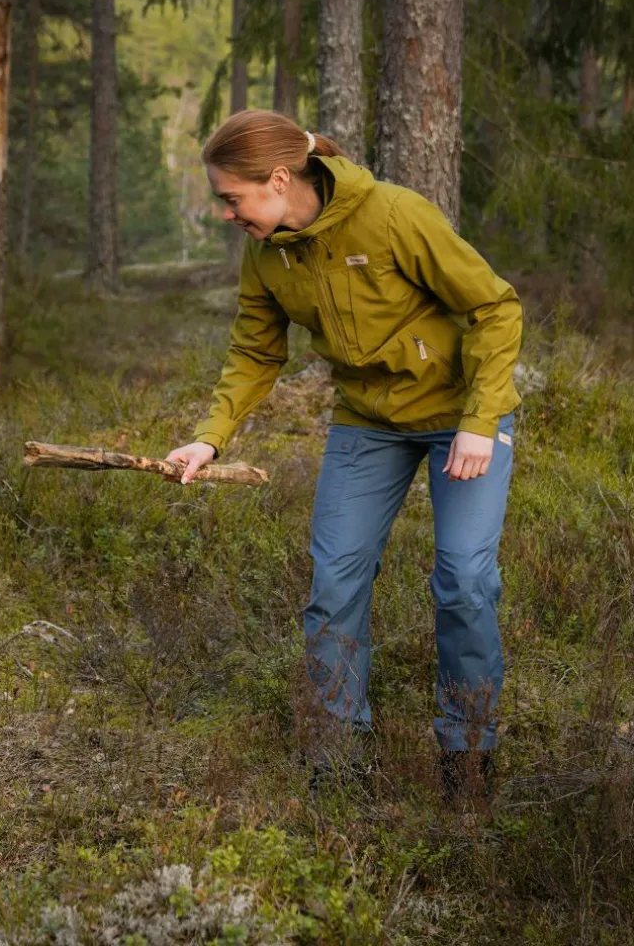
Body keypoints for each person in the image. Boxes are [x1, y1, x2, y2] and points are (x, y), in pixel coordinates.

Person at [166, 109, 522, 799]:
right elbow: (254, 351)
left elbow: (495, 308)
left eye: (231, 198)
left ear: (276, 179)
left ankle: (469, 755)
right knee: (333, 587)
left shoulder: (393, 216)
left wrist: (481, 420)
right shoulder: (268, 251)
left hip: (462, 416)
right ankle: (337, 756)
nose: (227, 213)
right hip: (368, 421)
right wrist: (211, 436)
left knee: (465, 580)